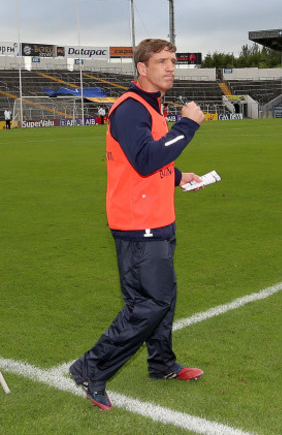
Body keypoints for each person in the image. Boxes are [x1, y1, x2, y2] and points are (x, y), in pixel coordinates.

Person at [69, 38, 206, 412]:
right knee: (148, 303)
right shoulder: (130, 109)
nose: (171, 67)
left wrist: (177, 176)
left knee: (164, 299)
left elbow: (147, 157)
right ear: (141, 69)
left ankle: (161, 364)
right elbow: (145, 159)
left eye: (173, 60)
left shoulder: (151, 106)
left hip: (159, 219)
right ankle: (90, 367)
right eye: (162, 61)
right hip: (137, 225)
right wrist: (188, 126)